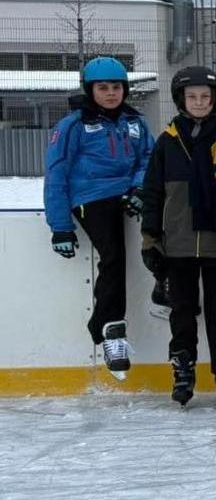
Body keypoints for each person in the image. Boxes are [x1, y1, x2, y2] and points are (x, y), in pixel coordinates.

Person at [141, 66, 216, 406]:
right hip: (176, 244)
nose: (199, 102)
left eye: (205, 97)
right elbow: (152, 193)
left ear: (215, 99)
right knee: (182, 310)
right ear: (181, 99)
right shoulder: (167, 142)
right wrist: (150, 237)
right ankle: (183, 370)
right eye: (192, 97)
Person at [43, 57, 154, 381]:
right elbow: (56, 175)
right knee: (114, 255)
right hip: (91, 198)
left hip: (128, 192)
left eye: (116, 87)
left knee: (174, 216)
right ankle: (110, 329)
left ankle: (164, 287)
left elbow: (149, 158)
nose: (110, 93)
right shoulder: (72, 126)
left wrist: (140, 189)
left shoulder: (136, 122)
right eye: (102, 88)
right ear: (90, 90)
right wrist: (61, 227)